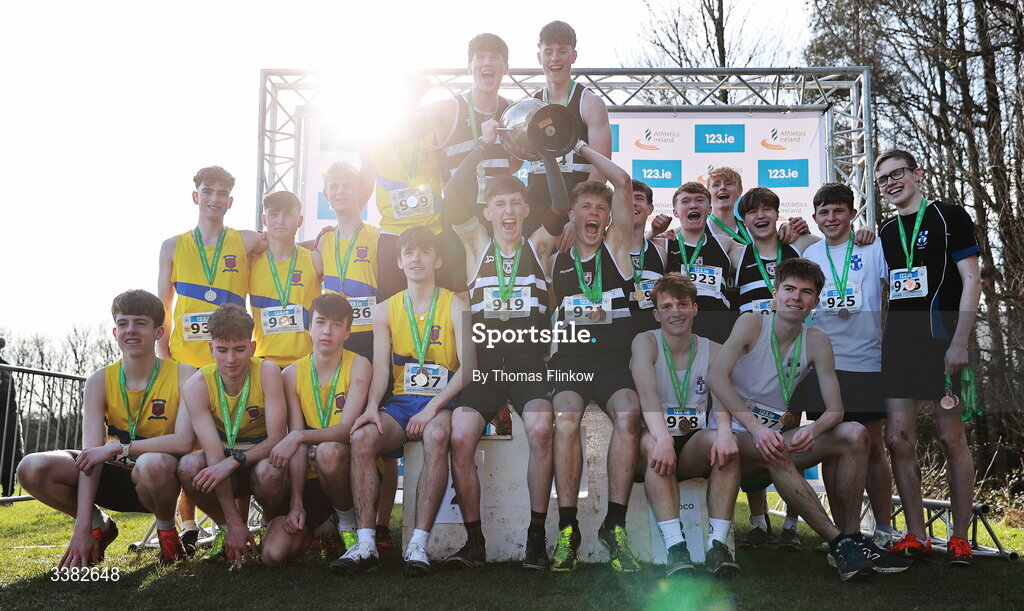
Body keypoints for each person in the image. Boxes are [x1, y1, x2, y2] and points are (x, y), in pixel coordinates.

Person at [706, 258, 901, 580]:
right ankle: (837, 542)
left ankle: (850, 539)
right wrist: (754, 428)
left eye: (806, 292)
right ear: (775, 293)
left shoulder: (817, 340)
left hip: (770, 437)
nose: (796, 298)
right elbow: (715, 377)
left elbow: (835, 410)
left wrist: (816, 430)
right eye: (789, 289)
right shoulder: (751, 323)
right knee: (776, 449)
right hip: (732, 435)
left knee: (854, 433)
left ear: (816, 301)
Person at [443, 119, 568, 570]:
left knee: (540, 430)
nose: (509, 210)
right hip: (486, 364)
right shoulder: (477, 242)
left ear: (523, 207)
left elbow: (559, 203)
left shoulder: (538, 243)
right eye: (500, 204)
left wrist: (548, 152)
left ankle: (536, 537)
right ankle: (474, 540)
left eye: (516, 202)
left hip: (530, 362)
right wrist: (482, 147)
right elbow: (452, 199)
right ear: (490, 211)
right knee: (459, 437)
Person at [17, 290, 196, 566]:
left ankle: (167, 531)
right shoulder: (99, 380)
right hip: (113, 474)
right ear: (114, 331)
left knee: (152, 464)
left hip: (158, 480)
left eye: (140, 323)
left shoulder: (185, 374)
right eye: (123, 323)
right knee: (31, 467)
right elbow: (91, 456)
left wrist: (120, 447)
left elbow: (184, 442)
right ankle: (100, 524)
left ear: (159, 332)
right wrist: (82, 528)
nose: (130, 331)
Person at [334, 227, 469, 576]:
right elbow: (381, 372)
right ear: (399, 261)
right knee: (362, 437)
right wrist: (370, 408)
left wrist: (431, 408)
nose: (416, 259)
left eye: (424, 252)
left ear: (437, 259)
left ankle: (418, 546)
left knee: (437, 437)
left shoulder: (454, 303)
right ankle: (365, 545)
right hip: (402, 403)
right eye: (409, 253)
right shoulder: (384, 310)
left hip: (441, 402)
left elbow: (468, 369)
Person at [875, 149, 981, 565]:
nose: (891, 182)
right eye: (883, 179)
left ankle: (959, 537)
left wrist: (960, 340)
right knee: (897, 439)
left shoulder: (949, 216)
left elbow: (972, 279)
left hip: (941, 343)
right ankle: (916, 534)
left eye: (897, 173)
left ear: (917, 173)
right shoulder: (884, 230)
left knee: (950, 437)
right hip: (899, 345)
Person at [157, 166, 264, 548]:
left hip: (229, 357)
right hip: (187, 359)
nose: (214, 198)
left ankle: (230, 524)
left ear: (231, 201)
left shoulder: (247, 240)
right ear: (195, 196)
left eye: (222, 193)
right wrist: (161, 349)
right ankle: (186, 527)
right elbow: (162, 306)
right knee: (190, 443)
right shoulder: (172, 245)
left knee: (231, 436)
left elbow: (285, 242)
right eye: (208, 191)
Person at [548, 142, 642, 573]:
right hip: (569, 364)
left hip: (610, 364)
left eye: (600, 209)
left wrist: (580, 147)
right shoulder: (558, 261)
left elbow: (622, 181)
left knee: (628, 414)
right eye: (584, 206)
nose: (593, 214)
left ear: (608, 218)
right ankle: (568, 528)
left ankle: (615, 526)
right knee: (565, 418)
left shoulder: (619, 248)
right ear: (573, 215)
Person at [789, 183, 895, 549]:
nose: (830, 218)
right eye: (823, 213)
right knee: (834, 446)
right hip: (823, 366)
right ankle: (842, 533)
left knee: (875, 446)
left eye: (838, 211)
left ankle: (884, 529)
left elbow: (895, 288)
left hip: (866, 361)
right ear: (816, 217)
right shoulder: (810, 252)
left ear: (851, 213)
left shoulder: (873, 246)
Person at [630, 273, 741, 577]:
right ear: (656, 314)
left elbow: (721, 401)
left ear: (694, 308)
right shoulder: (645, 342)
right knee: (655, 445)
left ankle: (717, 545)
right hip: (655, 439)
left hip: (691, 443)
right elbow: (647, 394)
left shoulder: (714, 350)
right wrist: (664, 439)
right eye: (666, 306)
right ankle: (676, 547)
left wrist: (725, 432)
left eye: (682, 304)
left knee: (724, 444)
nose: (675, 311)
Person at [260, 294, 371, 567]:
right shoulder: (292, 374)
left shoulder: (359, 365)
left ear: (347, 331)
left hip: (346, 470)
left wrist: (299, 435)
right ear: (309, 326)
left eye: (336, 324)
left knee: (329, 450)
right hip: (308, 475)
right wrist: (296, 502)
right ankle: (323, 527)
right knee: (273, 556)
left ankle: (347, 526)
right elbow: (296, 445)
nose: (327, 331)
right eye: (320, 322)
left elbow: (346, 431)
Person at [176, 304, 288, 569]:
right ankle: (228, 530)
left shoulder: (268, 372)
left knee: (271, 471)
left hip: (260, 461)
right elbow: (214, 455)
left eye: (239, 349)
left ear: (252, 347)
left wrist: (233, 460)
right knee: (189, 466)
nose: (231, 359)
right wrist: (233, 522)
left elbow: (276, 440)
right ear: (211, 349)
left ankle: (270, 525)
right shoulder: (196, 385)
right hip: (222, 461)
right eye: (222, 350)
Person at [360, 74, 448, 300]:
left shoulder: (434, 130)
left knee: (437, 306)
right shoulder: (373, 136)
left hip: (432, 231)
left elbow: (448, 181)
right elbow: (362, 190)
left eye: (413, 94)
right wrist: (340, 230)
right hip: (392, 235)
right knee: (390, 308)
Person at [526, 20, 612, 234]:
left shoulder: (590, 103)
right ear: (540, 57)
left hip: (574, 216)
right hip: (536, 212)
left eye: (562, 51)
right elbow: (514, 159)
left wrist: (577, 217)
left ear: (573, 55)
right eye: (548, 52)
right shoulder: (529, 106)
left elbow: (602, 167)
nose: (555, 58)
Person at [249, 191, 323, 368]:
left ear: (300, 220)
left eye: (288, 214)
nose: (281, 220)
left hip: (307, 361)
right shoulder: (250, 263)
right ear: (264, 219)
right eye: (273, 214)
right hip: (263, 362)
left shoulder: (315, 259)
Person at [317, 162, 379, 361]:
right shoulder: (323, 242)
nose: (340, 191)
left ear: (360, 192)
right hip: (335, 337)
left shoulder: (378, 237)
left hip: (371, 335)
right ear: (326, 194)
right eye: (334, 186)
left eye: (347, 186)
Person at [665, 182, 736, 343]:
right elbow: (634, 252)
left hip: (718, 334)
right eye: (685, 201)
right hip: (677, 334)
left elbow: (761, 254)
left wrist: (788, 231)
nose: (693, 205)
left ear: (710, 209)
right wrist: (654, 233)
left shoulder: (725, 244)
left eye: (699, 200)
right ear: (675, 212)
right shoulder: (664, 244)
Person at [627, 179, 667, 333]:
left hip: (651, 340)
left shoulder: (661, 254)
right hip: (613, 344)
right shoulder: (604, 249)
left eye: (639, 198)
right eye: (627, 199)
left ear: (650, 208)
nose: (633, 203)